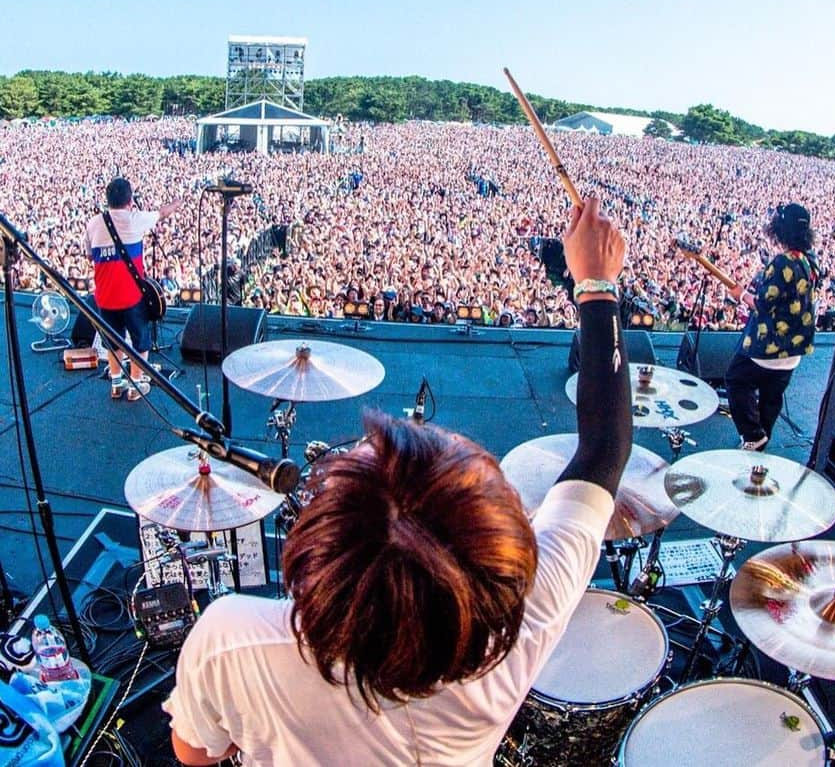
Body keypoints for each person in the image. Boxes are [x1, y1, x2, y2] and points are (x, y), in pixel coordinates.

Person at [163, 196, 631, 766]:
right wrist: (597, 285)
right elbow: (605, 448)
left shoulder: (232, 639)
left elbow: (194, 753)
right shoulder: (524, 618)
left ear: (312, 557)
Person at [725, 202, 820, 451]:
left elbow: (764, 305)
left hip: (769, 349)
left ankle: (752, 434)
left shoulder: (782, 263)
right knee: (771, 398)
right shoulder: (810, 261)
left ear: (780, 230)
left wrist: (740, 295)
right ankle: (759, 442)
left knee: (736, 379)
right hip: (793, 352)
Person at [84, 178, 183, 401]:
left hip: (105, 295)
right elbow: (162, 213)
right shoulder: (135, 219)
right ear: (130, 201)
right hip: (131, 296)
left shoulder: (93, 223)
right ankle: (136, 385)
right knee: (141, 340)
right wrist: (177, 203)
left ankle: (116, 384)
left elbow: (90, 255)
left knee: (113, 339)